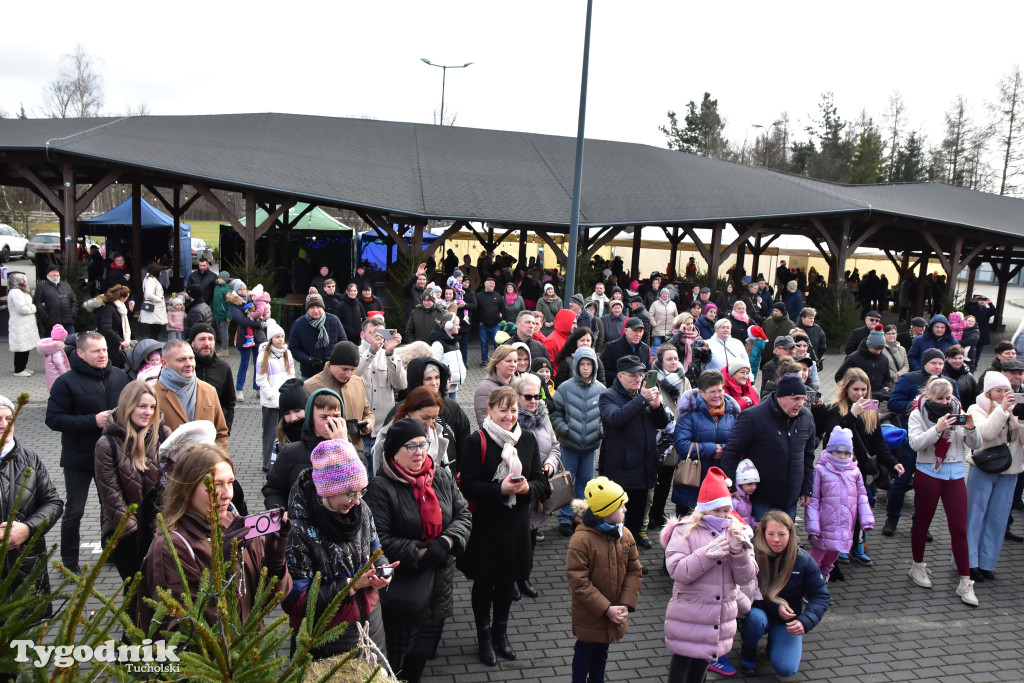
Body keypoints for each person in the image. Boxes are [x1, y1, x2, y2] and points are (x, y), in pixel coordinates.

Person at [138, 442, 292, 631]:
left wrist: (275, 561)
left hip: (248, 655)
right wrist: (222, 568)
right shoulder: (170, 547)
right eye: (216, 485)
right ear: (187, 488)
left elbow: (267, 603)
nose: (227, 494)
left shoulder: (238, 525)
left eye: (230, 482)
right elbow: (184, 629)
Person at [458, 386, 550, 666]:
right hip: (486, 525)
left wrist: (524, 491)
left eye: (513, 410)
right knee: (485, 583)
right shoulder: (477, 441)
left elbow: (541, 483)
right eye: (503, 410)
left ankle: (501, 634)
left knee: (508, 582)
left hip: (517, 525)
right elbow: (469, 486)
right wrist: (500, 489)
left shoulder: (528, 440)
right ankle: (484, 638)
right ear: (490, 411)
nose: (509, 416)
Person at [280, 438, 391, 660]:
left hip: (371, 627)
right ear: (327, 490)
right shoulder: (298, 532)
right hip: (325, 642)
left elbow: (376, 551)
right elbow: (296, 601)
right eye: (350, 494)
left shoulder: (361, 510)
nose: (357, 501)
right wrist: (348, 586)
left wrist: (382, 570)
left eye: (361, 492)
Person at [45, 331, 130, 573]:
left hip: (112, 456)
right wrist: (92, 421)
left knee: (111, 507)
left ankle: (111, 552)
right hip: (78, 458)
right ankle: (69, 562)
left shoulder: (119, 377)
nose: (103, 354)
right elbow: (53, 419)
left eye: (104, 350)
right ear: (81, 354)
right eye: (97, 351)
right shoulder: (66, 382)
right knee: (75, 511)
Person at [662, 467, 757, 682]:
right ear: (704, 510)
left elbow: (746, 577)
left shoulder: (736, 530)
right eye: (717, 511)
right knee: (681, 666)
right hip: (690, 616)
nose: (724, 516)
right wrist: (707, 554)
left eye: (727, 510)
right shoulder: (685, 530)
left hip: (718, 617)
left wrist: (740, 552)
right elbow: (677, 570)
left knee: (701, 667)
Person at [94, 380, 169, 613]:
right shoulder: (106, 444)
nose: (148, 413)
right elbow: (111, 496)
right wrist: (137, 535)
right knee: (135, 589)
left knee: (161, 589)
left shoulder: (162, 434)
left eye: (152, 407)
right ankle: (131, 640)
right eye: (142, 407)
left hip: (159, 527)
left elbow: (172, 479)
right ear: (128, 406)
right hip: (124, 532)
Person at [906, 376, 982, 605]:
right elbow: (915, 444)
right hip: (929, 471)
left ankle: (965, 581)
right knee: (923, 522)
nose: (945, 402)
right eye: (940, 398)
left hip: (956, 473)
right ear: (929, 395)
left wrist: (971, 428)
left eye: (948, 397)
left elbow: (975, 445)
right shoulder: (918, 413)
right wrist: (937, 429)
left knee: (959, 528)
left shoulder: (959, 409)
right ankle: (917, 566)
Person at [566, 477, 643, 683]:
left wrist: (625, 604)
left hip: (613, 612)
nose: (626, 509)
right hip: (590, 613)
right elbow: (579, 581)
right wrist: (605, 608)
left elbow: (634, 571)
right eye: (621, 506)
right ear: (607, 511)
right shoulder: (581, 539)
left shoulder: (625, 535)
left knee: (602, 653)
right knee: (584, 652)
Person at [882, 348, 962, 536]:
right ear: (924, 363)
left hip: (939, 441)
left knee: (925, 487)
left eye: (941, 363)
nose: (937, 367)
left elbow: (958, 407)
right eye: (933, 363)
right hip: (913, 437)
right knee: (901, 481)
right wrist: (919, 405)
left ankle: (920, 523)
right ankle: (892, 518)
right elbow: (894, 403)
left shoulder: (949, 382)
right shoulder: (909, 379)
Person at [739, 510, 829, 677]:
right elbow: (740, 591)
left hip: (786, 621)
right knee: (755, 619)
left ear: (791, 533)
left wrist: (805, 622)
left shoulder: (804, 560)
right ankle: (748, 649)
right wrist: (776, 605)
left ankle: (774, 642)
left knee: (787, 669)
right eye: (770, 533)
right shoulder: (752, 554)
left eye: (782, 534)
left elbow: (821, 596)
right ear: (763, 532)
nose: (776, 539)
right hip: (758, 611)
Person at [0, 394, 63, 614]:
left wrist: (27, 529)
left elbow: (53, 503)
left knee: (29, 639)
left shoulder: (29, 459)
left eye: (9, 419)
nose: (4, 425)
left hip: (27, 569)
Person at [721, 374, 815, 521]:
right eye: (795, 398)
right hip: (762, 498)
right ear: (780, 397)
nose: (800, 404)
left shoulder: (806, 418)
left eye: (803, 399)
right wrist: (731, 486)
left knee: (784, 541)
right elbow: (731, 453)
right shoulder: (753, 417)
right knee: (763, 541)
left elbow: (808, 457)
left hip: (791, 498)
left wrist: (807, 488)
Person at [599, 355, 670, 539]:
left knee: (636, 522)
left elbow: (661, 423)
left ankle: (631, 561)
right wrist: (643, 400)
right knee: (618, 523)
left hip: (644, 470)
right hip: (621, 472)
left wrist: (656, 406)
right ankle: (618, 563)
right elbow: (616, 418)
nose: (638, 379)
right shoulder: (608, 396)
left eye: (640, 374)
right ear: (620, 376)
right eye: (633, 375)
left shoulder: (642, 396)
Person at [965, 371, 1023, 582]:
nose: (1003, 394)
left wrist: (1020, 420)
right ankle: (969, 562)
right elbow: (985, 435)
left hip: (1010, 469)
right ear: (988, 392)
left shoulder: (1016, 408)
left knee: (998, 518)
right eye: (998, 390)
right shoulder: (976, 407)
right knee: (975, 516)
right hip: (983, 466)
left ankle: (987, 562)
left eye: (1007, 390)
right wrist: (1002, 411)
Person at [805, 426, 874, 583]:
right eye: (838, 452)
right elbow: (813, 500)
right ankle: (810, 584)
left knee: (833, 556)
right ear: (830, 451)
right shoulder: (820, 470)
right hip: (825, 525)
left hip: (845, 524)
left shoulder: (855, 472)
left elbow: (862, 497)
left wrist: (866, 519)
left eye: (846, 453)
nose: (842, 457)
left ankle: (823, 580)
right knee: (817, 556)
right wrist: (813, 525)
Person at [550, 347, 606, 536]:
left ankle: (580, 515)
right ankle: (565, 517)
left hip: (590, 446)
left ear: (594, 366)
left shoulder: (601, 389)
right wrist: (564, 430)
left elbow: (604, 417)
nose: (585, 368)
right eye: (581, 364)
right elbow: (556, 413)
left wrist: (599, 431)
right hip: (569, 444)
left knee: (586, 481)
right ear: (576, 366)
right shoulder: (565, 388)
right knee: (566, 482)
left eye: (589, 364)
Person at [512, 373, 559, 597]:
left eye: (537, 395)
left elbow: (555, 446)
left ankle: (524, 576)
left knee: (531, 537)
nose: (533, 401)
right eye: (528, 397)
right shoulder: (511, 420)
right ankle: (510, 578)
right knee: (514, 537)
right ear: (517, 396)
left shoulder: (544, 415)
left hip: (539, 488)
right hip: (518, 489)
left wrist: (550, 463)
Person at [672, 369, 742, 516]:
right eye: (712, 392)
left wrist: (724, 449)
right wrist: (711, 450)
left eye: (720, 390)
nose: (717, 395)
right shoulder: (689, 413)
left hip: (721, 477)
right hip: (694, 477)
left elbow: (739, 442)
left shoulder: (732, 414)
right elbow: (681, 444)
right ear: (701, 393)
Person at [304, 341, 375, 462]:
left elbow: (367, 412)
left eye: (353, 370)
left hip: (356, 455)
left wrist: (369, 423)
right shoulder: (309, 387)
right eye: (345, 369)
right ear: (332, 363)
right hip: (324, 458)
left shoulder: (358, 382)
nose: (349, 374)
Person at [153, 339, 229, 446]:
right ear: (164, 363)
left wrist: (219, 459)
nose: (189, 364)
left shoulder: (209, 391)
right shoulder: (153, 394)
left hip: (206, 461)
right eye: (181, 360)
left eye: (191, 358)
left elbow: (221, 433)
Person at [357, 316, 407, 453]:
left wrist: (390, 353)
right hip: (360, 429)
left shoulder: (389, 355)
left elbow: (401, 384)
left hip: (383, 428)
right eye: (372, 333)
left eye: (381, 333)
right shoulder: (354, 353)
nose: (377, 337)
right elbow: (352, 376)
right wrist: (371, 352)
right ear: (362, 334)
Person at [255, 319, 297, 472]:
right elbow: (260, 379)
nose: (280, 340)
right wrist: (272, 395)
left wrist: (288, 392)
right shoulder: (263, 356)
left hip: (285, 400)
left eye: (282, 336)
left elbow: (291, 374)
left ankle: (282, 461)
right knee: (270, 433)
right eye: (277, 337)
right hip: (271, 402)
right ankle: (267, 463)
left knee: (285, 432)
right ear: (271, 339)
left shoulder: (287, 353)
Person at [289, 288, 346, 379]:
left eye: (318, 307)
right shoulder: (299, 324)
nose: (315, 310)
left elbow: (343, 343)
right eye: (312, 307)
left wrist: (335, 359)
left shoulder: (334, 320)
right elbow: (294, 348)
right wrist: (308, 360)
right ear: (307, 309)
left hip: (332, 371)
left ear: (323, 307)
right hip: (309, 373)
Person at [190, 323, 236, 431]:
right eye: (202, 339)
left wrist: (225, 430)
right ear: (192, 343)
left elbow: (229, 403)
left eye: (210, 339)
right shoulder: (185, 368)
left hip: (215, 431)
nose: (207, 343)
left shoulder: (223, 368)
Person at [833, 324, 893, 400]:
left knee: (871, 412)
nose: (878, 352)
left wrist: (885, 388)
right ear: (869, 345)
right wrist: (849, 390)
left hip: (875, 398)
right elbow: (839, 376)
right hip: (855, 398)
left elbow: (887, 378)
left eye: (881, 349)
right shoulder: (854, 358)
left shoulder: (883, 359)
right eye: (876, 349)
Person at [473, 344, 519, 427]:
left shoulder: (519, 384)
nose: (513, 365)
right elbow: (484, 421)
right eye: (509, 361)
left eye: (515, 361)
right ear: (496, 363)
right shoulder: (485, 388)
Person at [7, 272, 40, 377]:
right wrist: (34, 308)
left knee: (26, 346)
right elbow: (22, 308)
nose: (26, 282)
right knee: (20, 347)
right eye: (24, 280)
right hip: (19, 324)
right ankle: (18, 369)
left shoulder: (22, 291)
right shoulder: (15, 292)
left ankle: (23, 367)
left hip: (26, 324)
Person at [95, 284, 134, 368]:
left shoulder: (120, 307)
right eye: (126, 298)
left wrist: (130, 310)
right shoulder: (108, 308)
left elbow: (121, 322)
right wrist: (120, 341)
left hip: (116, 342)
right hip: (111, 344)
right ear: (122, 298)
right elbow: (106, 328)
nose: (126, 300)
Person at [33, 263, 77, 335]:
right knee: (54, 345)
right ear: (47, 274)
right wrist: (47, 319)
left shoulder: (66, 285)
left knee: (71, 344)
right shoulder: (41, 287)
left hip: (68, 322)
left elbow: (74, 300)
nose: (55, 273)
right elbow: (38, 304)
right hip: (52, 324)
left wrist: (72, 314)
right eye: (52, 271)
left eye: (57, 271)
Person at [430, 312, 466, 398]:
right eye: (457, 324)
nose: (459, 327)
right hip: (443, 388)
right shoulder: (438, 344)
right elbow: (433, 366)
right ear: (449, 325)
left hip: (453, 386)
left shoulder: (455, 342)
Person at [37, 323, 71, 390]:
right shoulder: (57, 350)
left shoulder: (51, 348)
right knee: (60, 390)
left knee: (54, 388)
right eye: (64, 337)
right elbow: (59, 363)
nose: (65, 339)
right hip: (57, 375)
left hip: (52, 374)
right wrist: (66, 375)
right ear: (61, 338)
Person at [139, 262, 168, 340]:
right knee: (155, 331)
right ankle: (153, 348)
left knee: (155, 330)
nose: (161, 273)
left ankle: (153, 347)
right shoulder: (150, 280)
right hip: (155, 309)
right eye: (159, 271)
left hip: (154, 308)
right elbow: (148, 294)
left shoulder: (149, 279)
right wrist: (160, 299)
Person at [944, 344, 979, 408]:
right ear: (948, 358)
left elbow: (976, 395)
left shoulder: (969, 376)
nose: (958, 361)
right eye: (954, 358)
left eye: (960, 358)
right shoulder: (942, 374)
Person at [966, 294, 996, 362]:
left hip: (982, 334)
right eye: (980, 300)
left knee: (978, 351)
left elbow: (994, 312)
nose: (982, 301)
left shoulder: (988, 310)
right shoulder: (974, 309)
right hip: (973, 332)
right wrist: (973, 300)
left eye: (984, 300)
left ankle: (975, 364)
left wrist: (990, 303)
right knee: (970, 350)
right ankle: (970, 362)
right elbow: (966, 308)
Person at [212, 270, 232, 354]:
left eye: (220, 278)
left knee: (224, 331)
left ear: (225, 279)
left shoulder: (227, 290)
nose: (218, 279)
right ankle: (222, 347)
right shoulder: (217, 287)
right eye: (218, 277)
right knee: (220, 330)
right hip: (217, 313)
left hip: (224, 314)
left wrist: (229, 315)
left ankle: (225, 349)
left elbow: (230, 304)